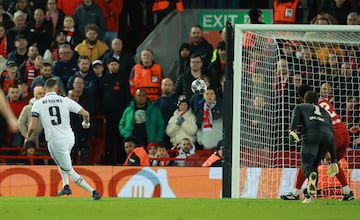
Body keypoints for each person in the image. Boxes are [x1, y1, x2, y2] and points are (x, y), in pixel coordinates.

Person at [27, 78, 101, 200]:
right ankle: (66, 186)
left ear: (45, 89)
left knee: (68, 169)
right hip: (69, 138)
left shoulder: (38, 103)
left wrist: (27, 136)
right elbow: (86, 113)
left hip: (55, 140)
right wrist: (86, 123)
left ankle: (93, 192)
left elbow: (33, 126)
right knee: (61, 162)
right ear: (56, 88)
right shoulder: (65, 100)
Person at [281, 84, 355, 201]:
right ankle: (347, 191)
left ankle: (297, 193)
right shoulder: (324, 101)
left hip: (331, 134)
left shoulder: (309, 107)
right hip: (344, 133)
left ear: (303, 98)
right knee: (333, 164)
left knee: (310, 162)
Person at [287, 90, 339, 203]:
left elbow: (293, 124)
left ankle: (311, 175)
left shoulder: (300, 107)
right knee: (315, 164)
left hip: (312, 135)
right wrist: (334, 160)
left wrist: (292, 133)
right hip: (327, 138)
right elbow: (331, 134)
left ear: (304, 100)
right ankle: (310, 197)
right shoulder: (325, 112)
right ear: (317, 101)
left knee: (307, 165)